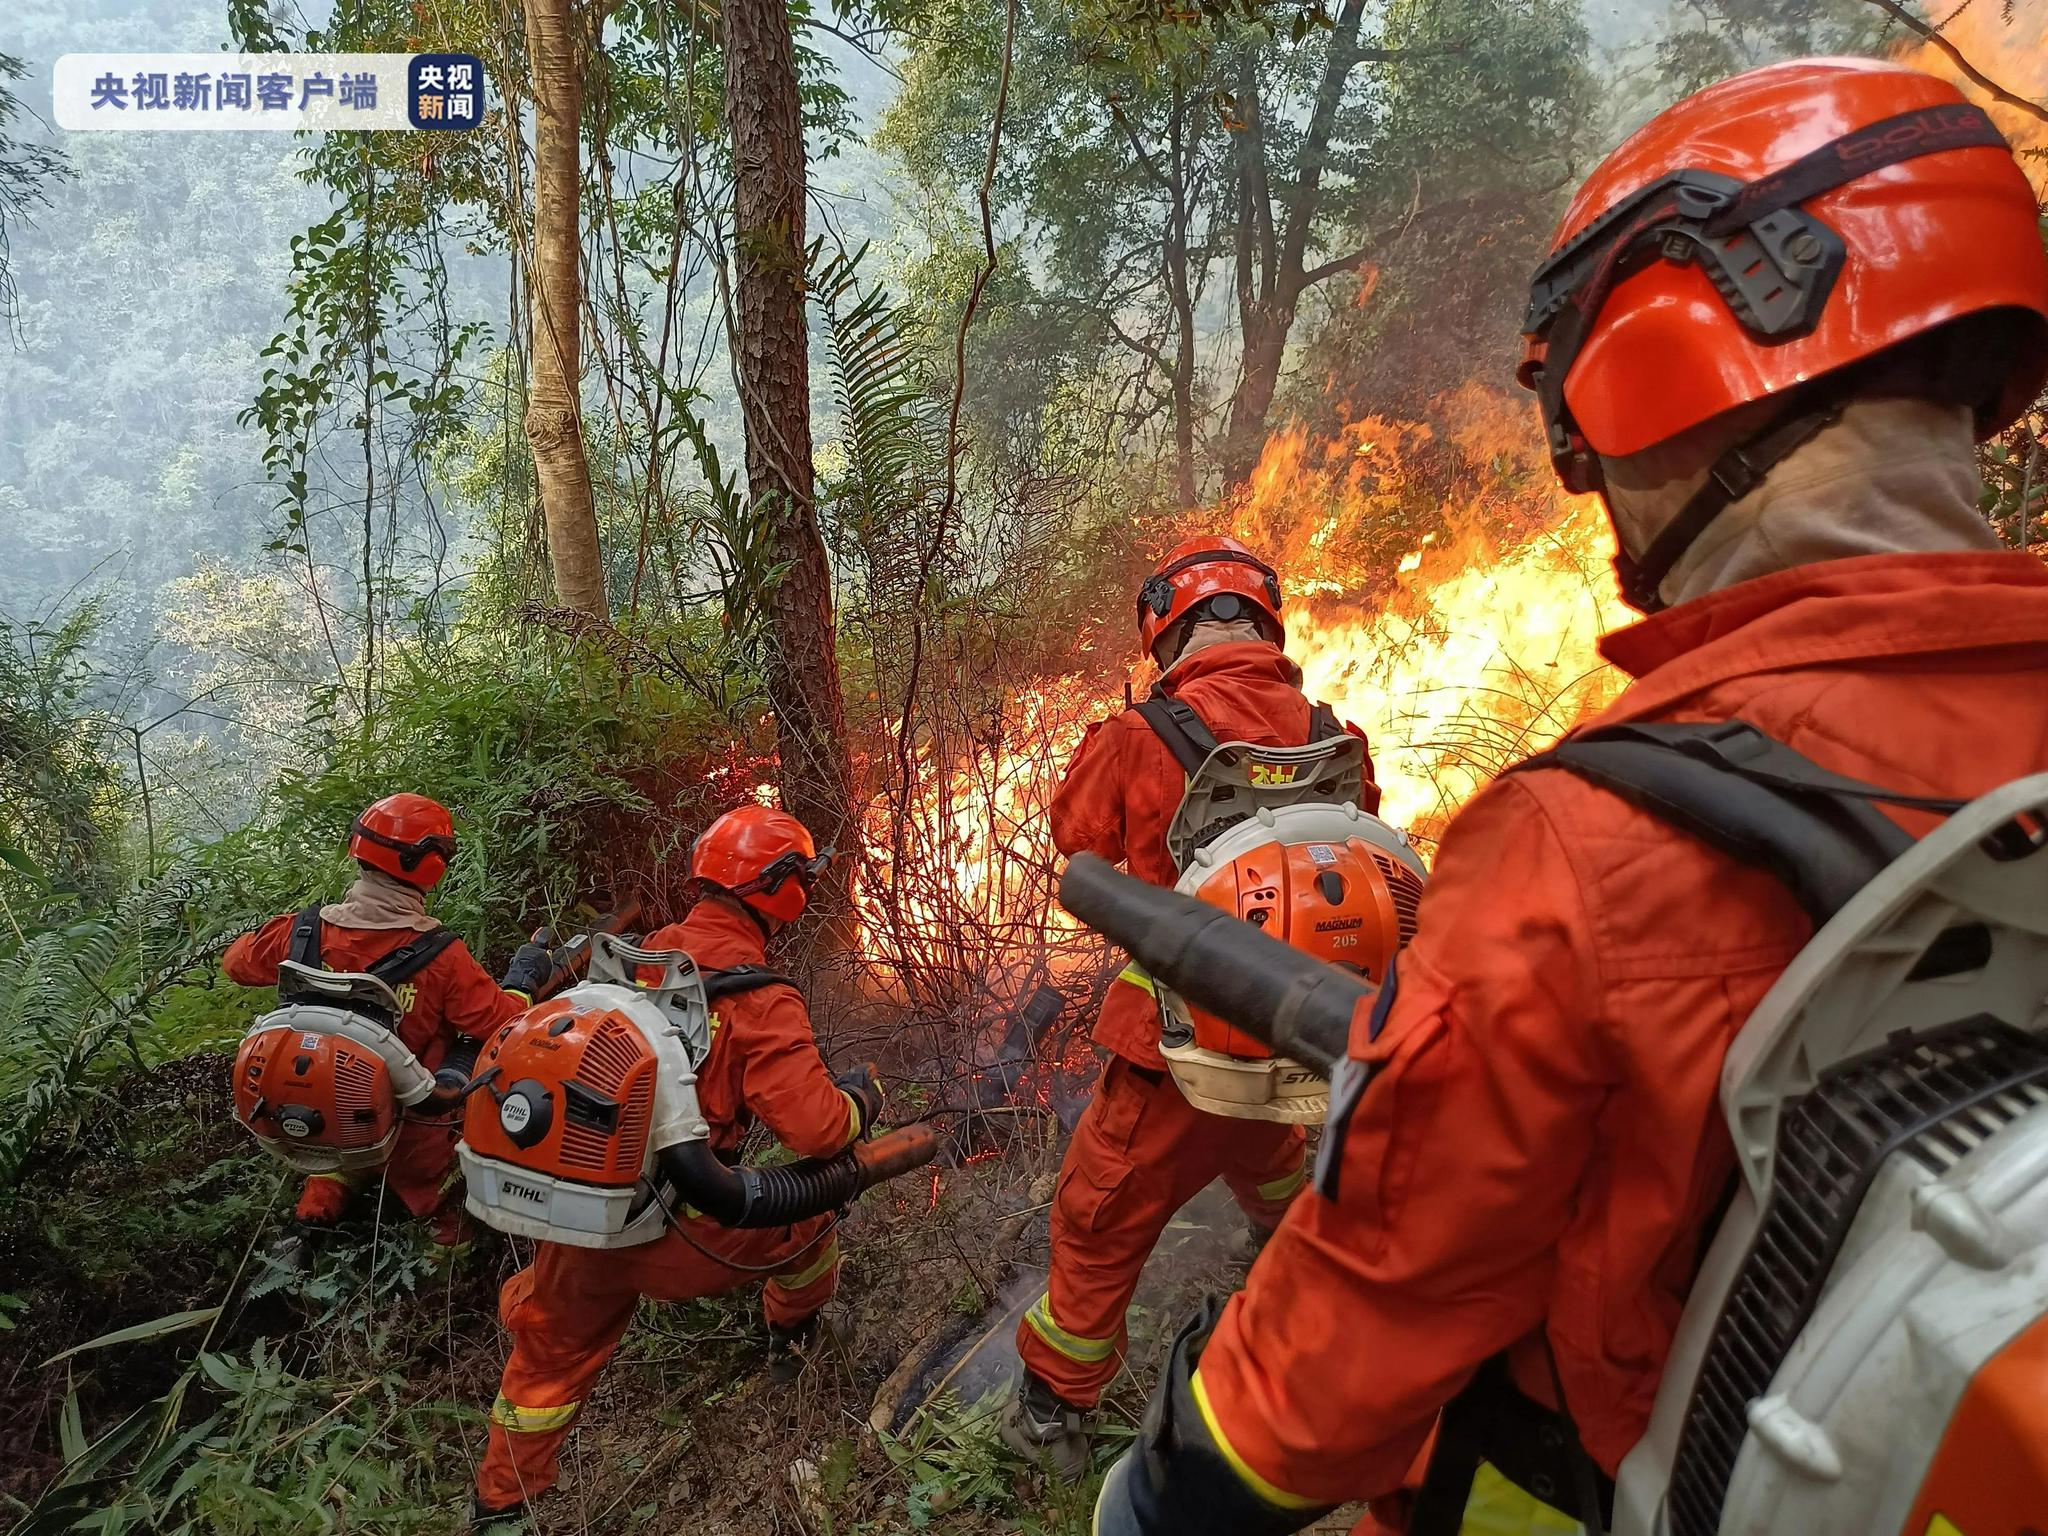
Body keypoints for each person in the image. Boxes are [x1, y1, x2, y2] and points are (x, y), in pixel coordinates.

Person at [1091, 56, 2048, 1535]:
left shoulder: (1591, 848)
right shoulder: (1348, 735)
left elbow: (1385, 1284)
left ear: (1662, 375)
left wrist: (1168, 1490)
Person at [1000, 536, 1380, 1478]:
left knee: (1098, 1218)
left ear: (1167, 633)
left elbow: (1073, 835)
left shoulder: (1145, 734)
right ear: (1264, 622)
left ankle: (1051, 1410)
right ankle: (1289, 1275)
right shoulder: (1336, 730)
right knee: (1272, 1157)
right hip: (1298, 1033)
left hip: (1176, 1048)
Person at [472, 804, 884, 1527]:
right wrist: (860, 1100)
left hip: (585, 1212)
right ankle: (795, 1338)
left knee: (546, 1364)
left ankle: (501, 1507)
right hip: (682, 1231)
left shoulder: (646, 953)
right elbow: (817, 1130)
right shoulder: (760, 997)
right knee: (810, 1219)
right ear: (784, 889)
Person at [223, 793, 543, 1242]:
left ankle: (319, 1206)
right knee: (444, 1191)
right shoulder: (441, 956)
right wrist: (521, 984)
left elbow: (236, 962)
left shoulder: (302, 930)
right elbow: (499, 1024)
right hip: (410, 1128)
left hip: (311, 1115)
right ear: (430, 865)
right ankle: (443, 1250)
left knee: (335, 1154)